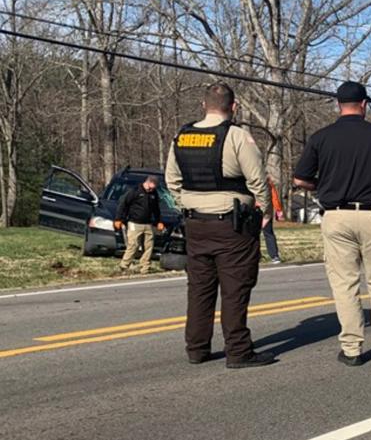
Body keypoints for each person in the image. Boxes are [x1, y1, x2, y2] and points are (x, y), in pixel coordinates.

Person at [292, 81, 371, 366]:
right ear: (364, 104)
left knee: (345, 284)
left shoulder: (321, 138)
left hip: (336, 215)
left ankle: (352, 349)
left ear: (338, 104)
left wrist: (324, 186)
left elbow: (300, 179)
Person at [166, 83, 275, 369]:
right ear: (234, 106)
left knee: (199, 289)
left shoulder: (183, 135)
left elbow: (171, 180)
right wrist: (264, 210)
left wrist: (187, 203)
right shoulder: (237, 136)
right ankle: (238, 351)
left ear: (204, 105)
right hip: (232, 226)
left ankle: (197, 348)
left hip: (195, 223)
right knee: (235, 288)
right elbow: (256, 181)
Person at [113, 175, 165, 274]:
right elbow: (123, 204)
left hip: (148, 224)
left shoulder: (154, 194)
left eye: (153, 188)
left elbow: (156, 209)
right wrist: (118, 219)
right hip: (134, 223)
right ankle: (124, 265)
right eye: (151, 187)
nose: (151, 189)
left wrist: (159, 221)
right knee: (133, 245)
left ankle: (145, 268)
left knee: (149, 246)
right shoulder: (135, 191)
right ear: (148, 182)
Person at [263, 178, 284, 264]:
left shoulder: (249, 179)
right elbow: (274, 197)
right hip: (266, 210)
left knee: (252, 234)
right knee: (268, 233)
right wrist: (278, 210)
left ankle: (254, 255)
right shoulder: (268, 182)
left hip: (254, 208)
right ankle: (275, 256)